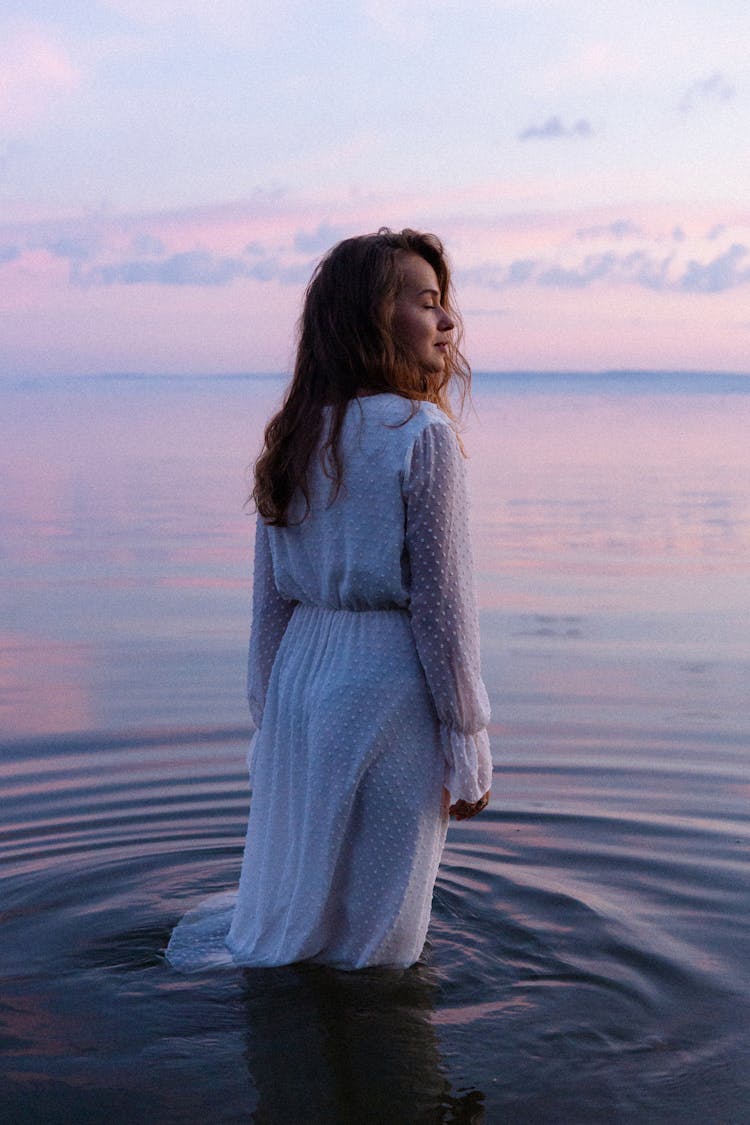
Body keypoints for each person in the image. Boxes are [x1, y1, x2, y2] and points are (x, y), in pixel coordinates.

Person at [166, 228, 491, 973]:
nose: (449, 323)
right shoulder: (423, 433)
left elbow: (269, 602)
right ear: (373, 318)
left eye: (446, 306)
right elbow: (445, 608)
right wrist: (467, 738)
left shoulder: (295, 433)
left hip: (301, 680)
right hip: (388, 681)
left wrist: (270, 713)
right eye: (427, 303)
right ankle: (375, 1071)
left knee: (304, 907)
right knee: (381, 935)